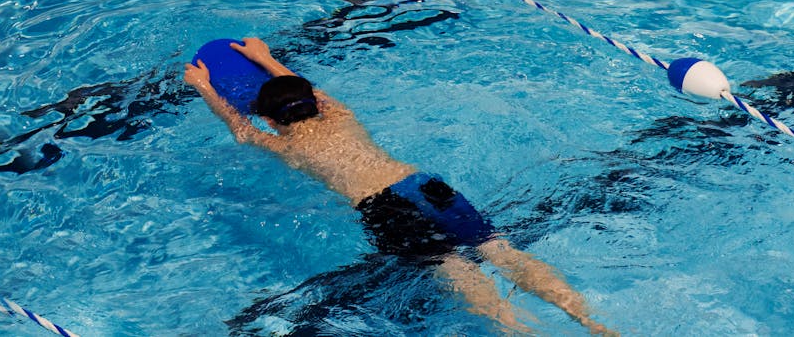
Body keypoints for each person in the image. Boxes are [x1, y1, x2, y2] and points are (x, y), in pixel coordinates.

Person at [184, 37, 615, 335]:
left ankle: (521, 331)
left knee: (458, 272)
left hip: (386, 208)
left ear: (273, 121)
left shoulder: (288, 147)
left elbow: (239, 129)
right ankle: (594, 325)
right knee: (501, 251)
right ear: (315, 104)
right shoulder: (341, 116)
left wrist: (203, 85)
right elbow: (309, 91)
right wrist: (267, 59)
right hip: (424, 184)